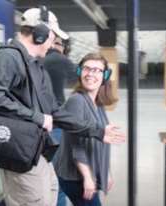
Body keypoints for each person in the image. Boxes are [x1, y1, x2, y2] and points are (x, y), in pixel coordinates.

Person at [0, 7, 123, 205]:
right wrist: (38, 118)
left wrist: (97, 131)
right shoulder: (7, 57)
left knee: (50, 196)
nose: (53, 43)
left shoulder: (35, 66)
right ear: (40, 35)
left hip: (38, 150)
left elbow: (55, 111)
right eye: (53, 37)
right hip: (20, 152)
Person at [51, 53, 125, 206]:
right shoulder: (76, 101)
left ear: (105, 76)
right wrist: (88, 177)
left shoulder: (97, 102)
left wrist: (105, 171)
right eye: (87, 68)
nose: (91, 74)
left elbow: (101, 140)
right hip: (75, 176)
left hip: (87, 171)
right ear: (80, 72)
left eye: (97, 70)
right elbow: (76, 145)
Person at [43, 31, 74, 206]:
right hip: (55, 122)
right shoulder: (60, 60)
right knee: (58, 177)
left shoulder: (33, 59)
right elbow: (81, 77)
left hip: (33, 125)